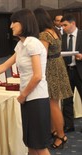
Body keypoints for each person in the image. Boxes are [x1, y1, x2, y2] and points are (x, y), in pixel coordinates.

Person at [0, 9, 51, 155]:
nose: (11, 26)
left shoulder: (33, 43)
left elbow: (37, 76)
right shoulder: (21, 45)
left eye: (14, 22)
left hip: (36, 98)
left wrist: (23, 95)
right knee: (30, 143)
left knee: (40, 146)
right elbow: (3, 66)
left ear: (25, 23)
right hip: (29, 99)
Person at [34, 8, 72, 149]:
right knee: (54, 103)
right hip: (58, 66)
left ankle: (61, 136)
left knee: (53, 105)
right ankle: (54, 130)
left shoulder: (44, 34)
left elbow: (42, 55)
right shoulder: (54, 31)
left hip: (51, 69)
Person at [60, 14, 82, 133]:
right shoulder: (62, 37)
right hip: (67, 71)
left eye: (65, 25)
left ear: (73, 23)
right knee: (67, 100)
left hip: (80, 71)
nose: (63, 27)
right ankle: (68, 125)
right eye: (62, 25)